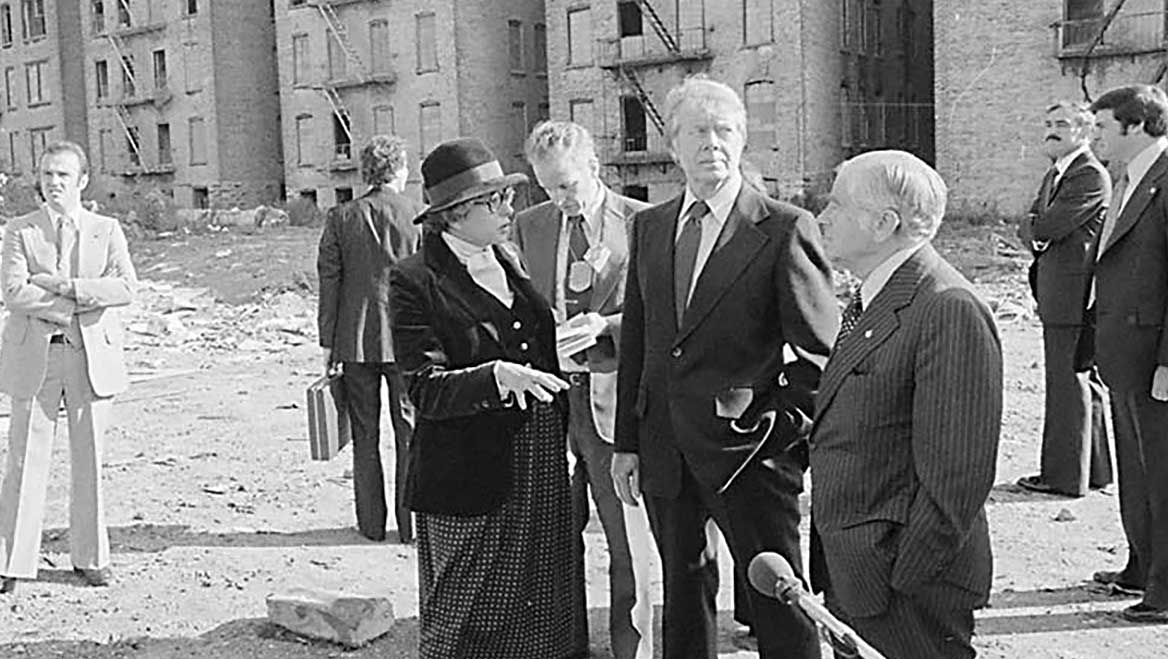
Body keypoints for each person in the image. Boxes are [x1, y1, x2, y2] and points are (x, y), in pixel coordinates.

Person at [611, 75, 838, 659]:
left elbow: (819, 356)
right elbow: (639, 339)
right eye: (698, 131)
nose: (712, 143)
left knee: (779, 602)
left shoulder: (784, 228)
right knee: (684, 599)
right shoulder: (651, 226)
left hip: (750, 454)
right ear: (673, 142)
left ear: (742, 140)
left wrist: (780, 437)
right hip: (666, 449)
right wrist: (627, 442)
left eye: (725, 131)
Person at [390, 137, 586, 657]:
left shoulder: (508, 256)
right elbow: (421, 388)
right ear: (452, 216)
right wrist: (495, 376)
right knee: (465, 608)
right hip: (468, 465)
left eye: (508, 197)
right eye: (493, 202)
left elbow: (528, 337)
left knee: (541, 599)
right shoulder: (414, 280)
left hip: (538, 455)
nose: (509, 209)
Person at [811, 150, 1002, 658]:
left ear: (882, 224)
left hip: (902, 588)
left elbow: (955, 476)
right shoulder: (878, 296)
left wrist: (901, 577)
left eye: (836, 205)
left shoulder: (946, 307)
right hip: (860, 570)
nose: (821, 218)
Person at [513, 120, 655, 659]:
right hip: (550, 398)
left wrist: (606, 327)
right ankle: (565, 645)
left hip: (611, 397)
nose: (559, 199)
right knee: (552, 535)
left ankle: (629, 649)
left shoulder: (641, 223)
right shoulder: (530, 225)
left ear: (595, 167)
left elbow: (655, 317)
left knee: (624, 537)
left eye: (567, 185)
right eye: (547, 187)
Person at [0, 141, 137, 593]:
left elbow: (125, 287)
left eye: (62, 175)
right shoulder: (20, 231)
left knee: (90, 461)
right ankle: (13, 562)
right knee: (23, 461)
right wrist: (72, 305)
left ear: (82, 181)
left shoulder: (107, 229)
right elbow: (14, 293)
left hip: (90, 358)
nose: (53, 183)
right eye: (46, 175)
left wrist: (67, 286)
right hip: (35, 357)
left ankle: (91, 557)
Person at [1088, 84, 1168, 624]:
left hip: (1153, 359)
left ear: (1135, 126)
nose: (1095, 137)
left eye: (1101, 127)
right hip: (1122, 350)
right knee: (1137, 472)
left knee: (1161, 474)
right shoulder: (1129, 180)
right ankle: (1142, 566)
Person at [317, 134, 420, 543]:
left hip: (354, 339)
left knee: (365, 435)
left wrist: (328, 343)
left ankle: (371, 525)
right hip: (407, 341)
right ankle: (411, 525)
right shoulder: (418, 215)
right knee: (409, 431)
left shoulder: (341, 218)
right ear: (399, 170)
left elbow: (330, 282)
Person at [1015, 101, 1113, 498]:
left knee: (1067, 384)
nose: (1050, 131)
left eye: (1061, 124)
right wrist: (1035, 225)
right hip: (1060, 292)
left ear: (1084, 132)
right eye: (1048, 123)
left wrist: (1033, 226)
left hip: (1073, 296)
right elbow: (1037, 222)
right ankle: (1094, 472)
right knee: (1080, 383)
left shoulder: (1088, 173)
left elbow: (1048, 224)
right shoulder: (1058, 173)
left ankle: (1061, 478)